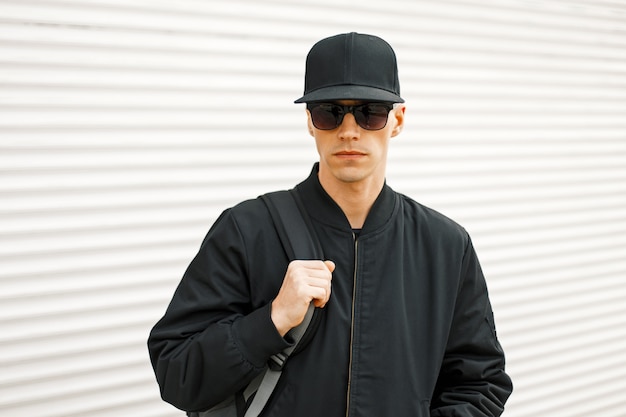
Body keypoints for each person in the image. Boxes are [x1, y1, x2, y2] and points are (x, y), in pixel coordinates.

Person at [148, 32, 513, 417]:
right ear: (310, 122)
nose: (349, 130)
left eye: (370, 112)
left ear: (397, 120)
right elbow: (177, 373)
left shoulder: (445, 246)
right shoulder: (247, 229)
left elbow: (480, 384)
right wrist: (272, 321)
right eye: (329, 112)